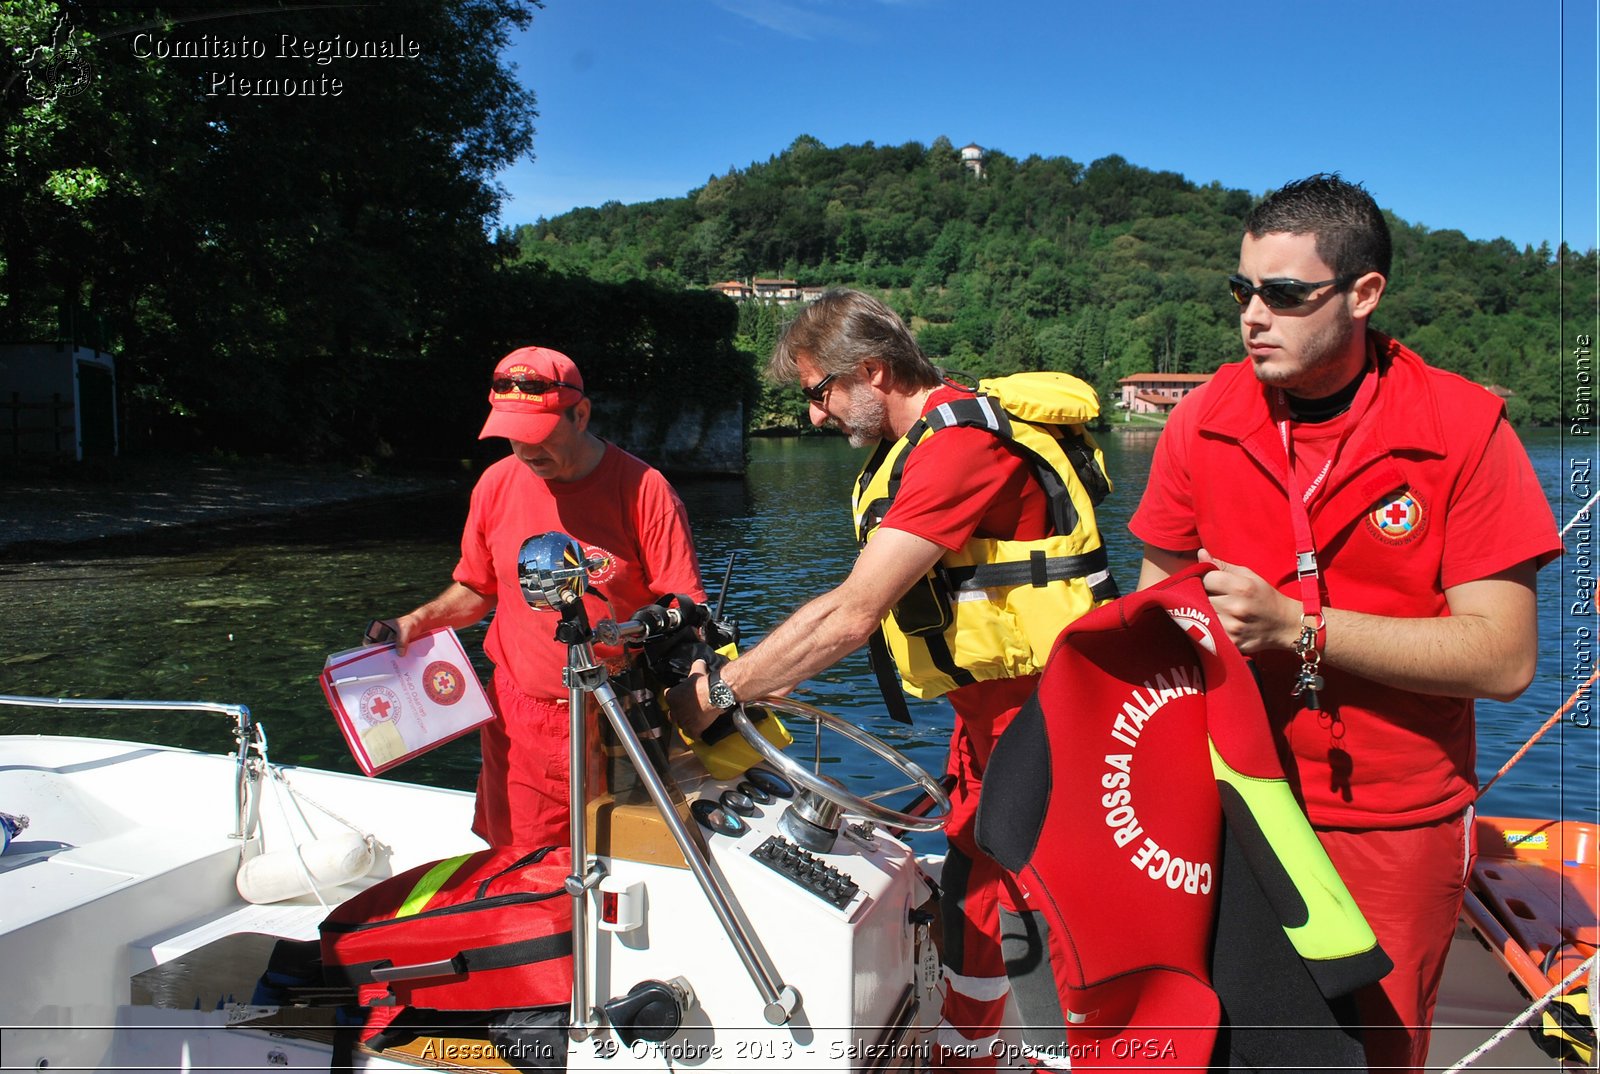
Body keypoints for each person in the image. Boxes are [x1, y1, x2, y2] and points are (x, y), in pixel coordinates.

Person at [1129, 173, 1561, 1070]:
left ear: (1364, 294)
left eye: (1286, 295)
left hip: (1391, 822)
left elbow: (1505, 655)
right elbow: (1154, 612)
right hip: (1233, 807)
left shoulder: (1463, 429)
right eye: (1241, 290)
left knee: (1375, 1053)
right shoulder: (1204, 419)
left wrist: (1298, 626)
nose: (1254, 315)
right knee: (1228, 1047)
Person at [667, 289, 1117, 1068]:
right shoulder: (913, 449)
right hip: (991, 725)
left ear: (870, 371)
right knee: (975, 891)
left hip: (1053, 724)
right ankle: (961, 1054)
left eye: (818, 393)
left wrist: (713, 695)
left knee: (1057, 917)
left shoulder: (958, 448)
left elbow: (851, 615)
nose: (812, 416)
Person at [375, 346, 705, 849]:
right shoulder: (495, 484)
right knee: (519, 856)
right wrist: (416, 622)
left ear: (581, 414)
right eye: (512, 436)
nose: (526, 452)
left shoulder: (643, 490)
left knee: (619, 858)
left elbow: (683, 608)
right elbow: (477, 588)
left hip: (616, 712)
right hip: (519, 715)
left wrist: (703, 686)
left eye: (539, 435)